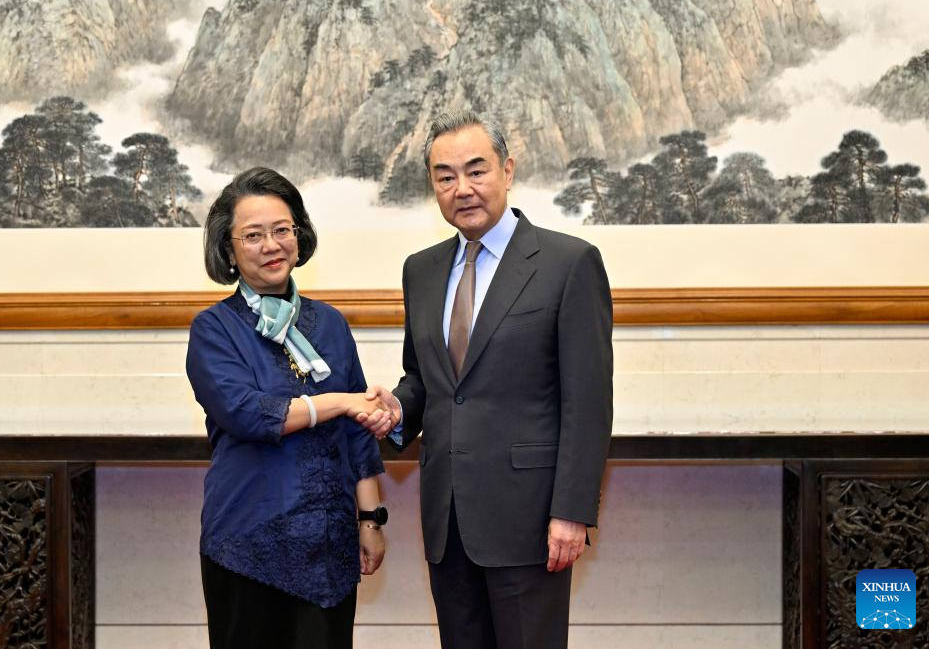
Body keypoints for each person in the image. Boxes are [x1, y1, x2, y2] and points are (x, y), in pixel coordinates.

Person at [369, 111, 614, 649]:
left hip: (530, 519)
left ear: (508, 170)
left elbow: (588, 403)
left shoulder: (568, 263)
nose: (463, 188)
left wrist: (572, 512)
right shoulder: (421, 270)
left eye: (476, 171)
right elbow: (426, 378)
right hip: (447, 518)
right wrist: (399, 408)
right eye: (446, 176)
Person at [186, 167, 396, 649]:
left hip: (329, 545)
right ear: (229, 251)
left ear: (299, 238)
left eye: (282, 230)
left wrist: (370, 520)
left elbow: (358, 435)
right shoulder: (214, 329)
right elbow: (248, 413)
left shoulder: (331, 324)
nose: (271, 245)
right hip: (247, 543)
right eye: (253, 235)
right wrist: (339, 402)